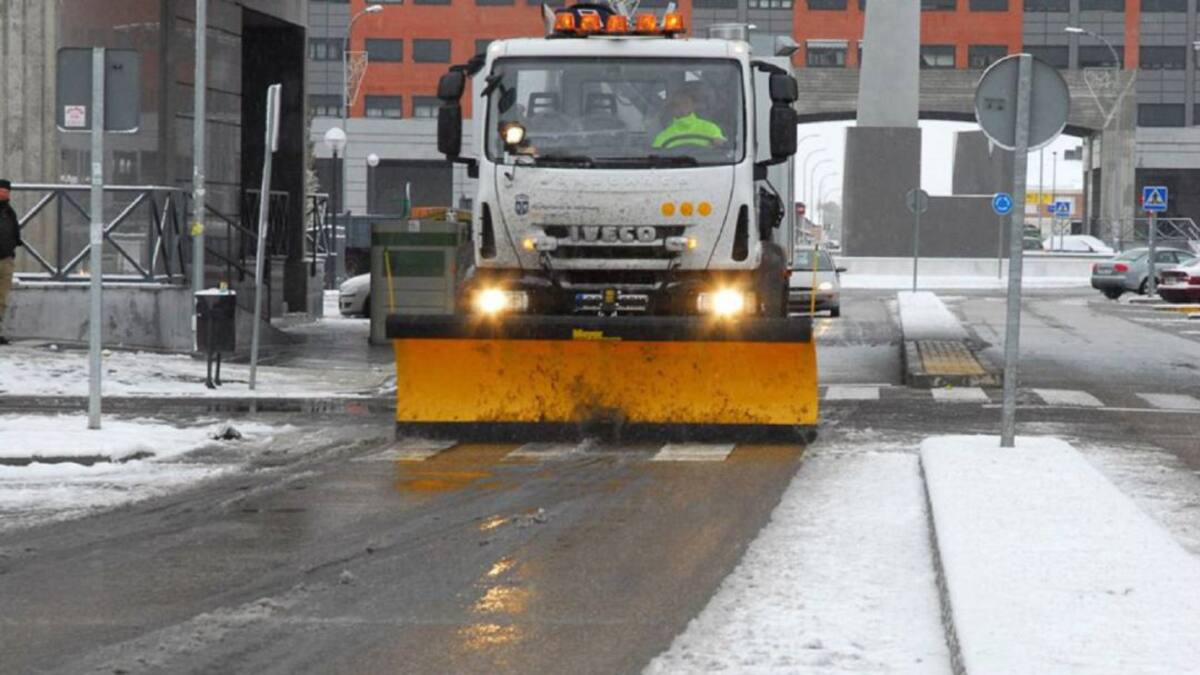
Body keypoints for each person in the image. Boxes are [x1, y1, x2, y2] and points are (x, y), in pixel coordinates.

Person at [652, 85, 726, 150]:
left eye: (686, 103)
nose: (682, 108)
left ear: (693, 105)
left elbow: (723, 150)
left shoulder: (712, 129)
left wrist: (719, 143)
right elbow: (655, 159)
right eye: (677, 105)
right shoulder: (663, 137)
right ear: (672, 108)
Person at [0, 178, 23, 346]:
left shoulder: (9, 211)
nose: (4, 194)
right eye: (2, 191)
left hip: (6, 258)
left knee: (1, 299)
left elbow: (14, 232)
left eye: (6, 191)